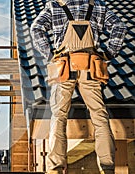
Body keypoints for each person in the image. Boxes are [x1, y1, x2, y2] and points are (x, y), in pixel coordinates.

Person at [30, 0, 126, 173]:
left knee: (58, 117)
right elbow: (119, 27)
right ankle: (107, 168)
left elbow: (35, 29)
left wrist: (50, 54)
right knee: (99, 116)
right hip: (91, 68)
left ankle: (56, 169)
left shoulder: (54, 6)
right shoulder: (97, 5)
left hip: (64, 68)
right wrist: (108, 53)